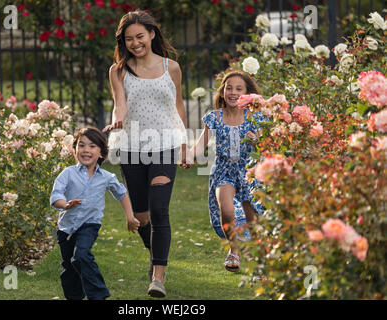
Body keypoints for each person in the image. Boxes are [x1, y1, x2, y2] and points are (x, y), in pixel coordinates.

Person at [103, 10, 190, 298]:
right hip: (131, 147)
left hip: (164, 145)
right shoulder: (118, 70)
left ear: (152, 34)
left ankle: (158, 277)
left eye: (140, 36)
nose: (135, 43)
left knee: (160, 210)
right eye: (129, 39)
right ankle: (155, 254)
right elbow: (121, 104)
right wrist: (118, 118)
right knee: (141, 216)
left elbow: (178, 106)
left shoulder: (172, 67)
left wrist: (184, 143)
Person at [50, 126, 140, 300]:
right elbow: (56, 197)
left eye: (92, 146)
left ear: (101, 153)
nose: (86, 150)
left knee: (81, 255)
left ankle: (98, 295)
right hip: (66, 229)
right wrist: (66, 204)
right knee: (69, 267)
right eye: (81, 145)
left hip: (89, 225)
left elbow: (121, 193)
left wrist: (130, 217)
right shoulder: (67, 174)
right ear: (75, 150)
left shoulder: (106, 177)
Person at [191, 71, 265, 273]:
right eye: (229, 87)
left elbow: (265, 145)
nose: (233, 92)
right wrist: (190, 157)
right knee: (227, 209)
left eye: (238, 88)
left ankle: (260, 258)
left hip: (249, 172)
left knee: (252, 219)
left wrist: (255, 139)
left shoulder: (255, 117)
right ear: (222, 92)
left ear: (247, 93)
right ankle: (234, 250)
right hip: (223, 171)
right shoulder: (214, 117)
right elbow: (200, 145)